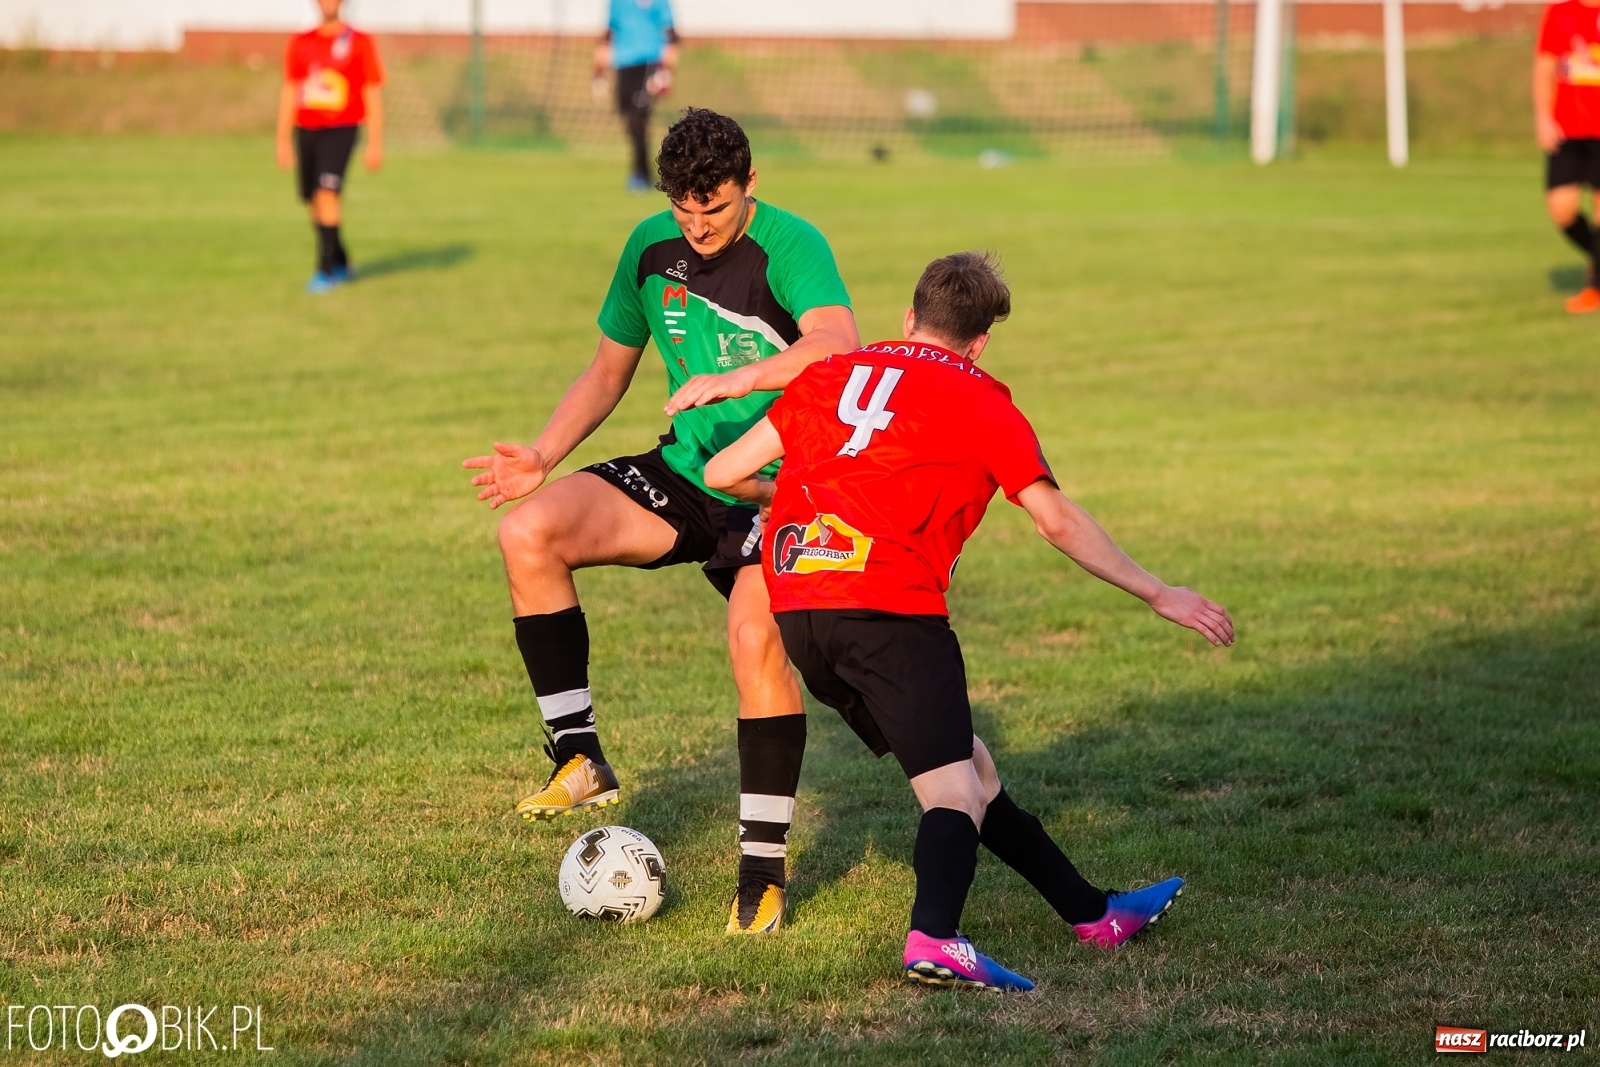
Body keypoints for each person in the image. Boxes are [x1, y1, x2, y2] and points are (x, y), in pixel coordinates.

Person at [704, 252, 1235, 990]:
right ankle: (936, 936)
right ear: (980, 341)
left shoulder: (830, 374)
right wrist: (1155, 591)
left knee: (973, 768)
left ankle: (1092, 914)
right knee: (952, 791)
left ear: (909, 317)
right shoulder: (984, 398)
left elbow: (723, 471)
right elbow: (1053, 519)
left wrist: (793, 492)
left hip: (801, 613)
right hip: (890, 611)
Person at [463, 109, 858, 934]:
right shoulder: (651, 246)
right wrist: (541, 453)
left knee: (754, 643)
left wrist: (738, 377)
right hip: (688, 475)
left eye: (712, 207)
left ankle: (762, 875)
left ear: (750, 185)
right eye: (683, 208)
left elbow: (838, 346)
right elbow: (609, 370)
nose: (698, 225)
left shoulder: (791, 244)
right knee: (528, 531)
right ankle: (580, 758)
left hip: (781, 486)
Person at [276, 0, 384, 294]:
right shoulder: (301, 42)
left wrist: (375, 142)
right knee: (313, 200)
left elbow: (371, 89)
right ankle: (341, 259)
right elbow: (290, 89)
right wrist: (282, 138)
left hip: (342, 129)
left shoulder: (359, 41)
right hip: (306, 130)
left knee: (327, 194)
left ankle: (325, 273)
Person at [1535, 0, 1600, 312]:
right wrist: (1543, 117)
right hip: (1568, 129)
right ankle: (1596, 257)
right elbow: (1545, 66)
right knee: (1561, 208)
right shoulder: (1561, 12)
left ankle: (1596, 290)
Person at [596, 0, 679, 193]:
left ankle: (642, 174)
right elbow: (609, 32)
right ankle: (643, 173)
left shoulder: (659, 2)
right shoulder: (617, 3)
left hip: (649, 62)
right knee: (629, 120)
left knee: (638, 118)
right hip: (623, 65)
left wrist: (665, 70)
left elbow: (671, 35)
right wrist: (598, 69)